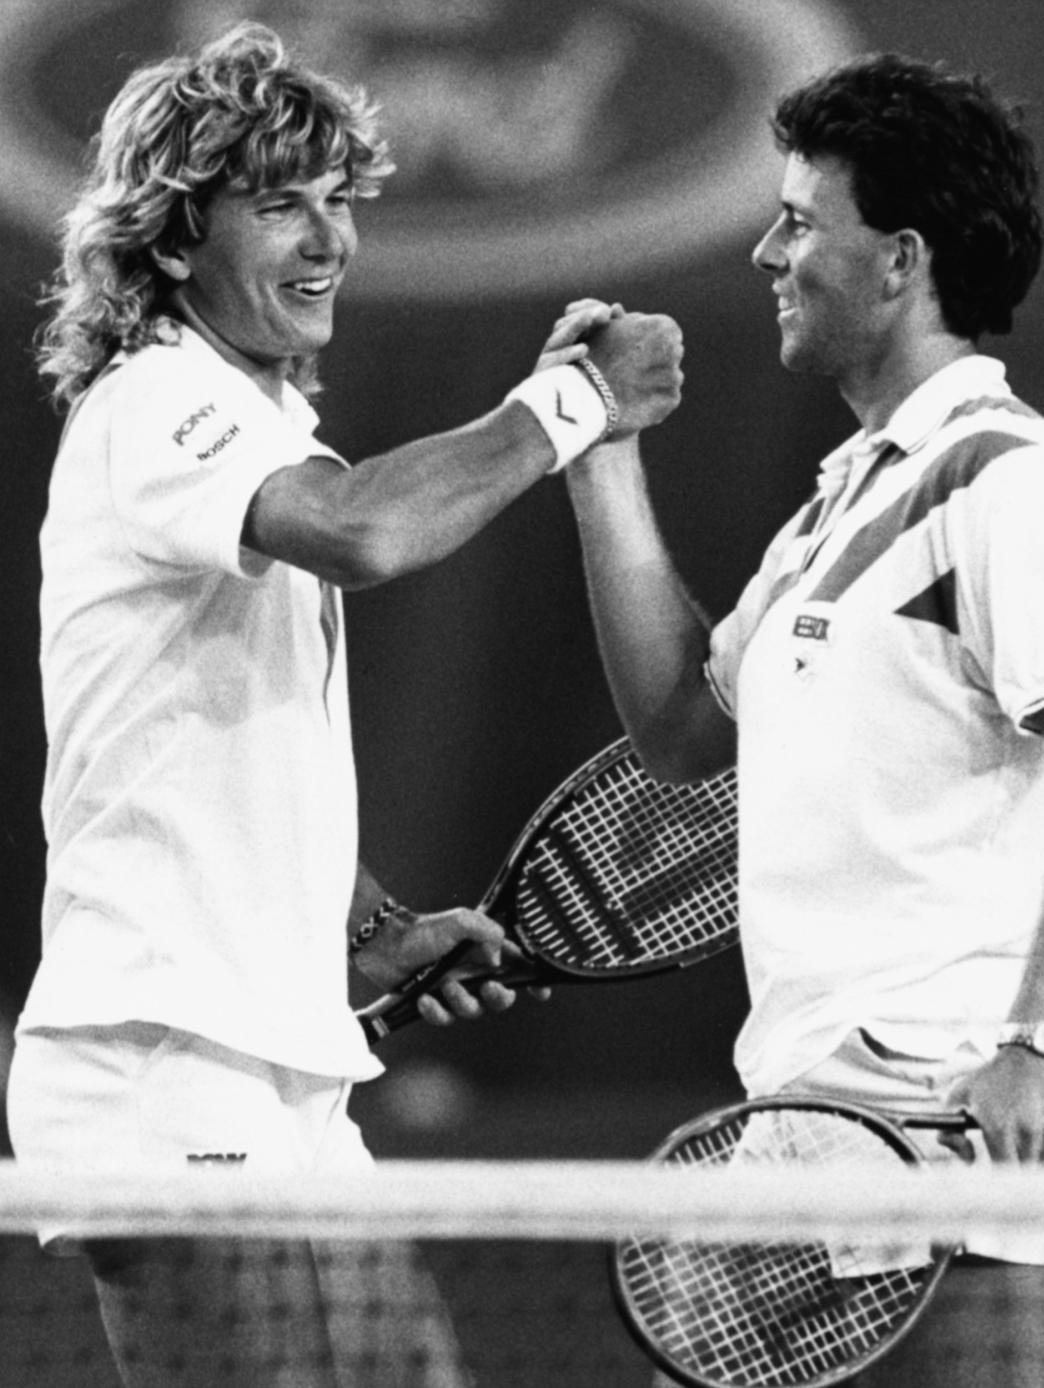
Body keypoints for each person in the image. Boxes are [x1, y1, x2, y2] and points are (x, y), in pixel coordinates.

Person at [6, 22, 682, 1388]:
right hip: (165, 1062)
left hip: (280, 1061)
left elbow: (214, 741)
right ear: (176, 240)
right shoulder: (155, 401)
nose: (327, 243)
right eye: (278, 206)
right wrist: (567, 404)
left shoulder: (247, 422)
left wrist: (365, 930)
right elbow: (365, 532)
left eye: (337, 203)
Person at [556, 53, 1044, 1387]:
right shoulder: (840, 501)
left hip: (954, 1101)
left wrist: (1036, 1042)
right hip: (811, 1094)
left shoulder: (1003, 480)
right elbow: (676, 729)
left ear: (897, 261)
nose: (770, 251)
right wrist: (602, 455)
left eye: (797, 222)